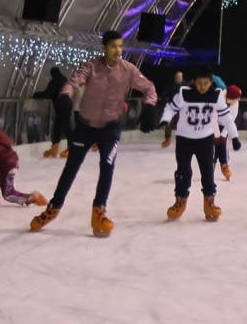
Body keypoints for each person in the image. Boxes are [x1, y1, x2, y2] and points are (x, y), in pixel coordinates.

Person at [30, 30, 157, 237]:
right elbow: (73, 83)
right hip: (85, 126)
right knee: (71, 168)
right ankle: (53, 208)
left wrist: (150, 107)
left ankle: (99, 211)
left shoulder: (128, 70)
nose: (118, 50)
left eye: (120, 46)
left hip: (110, 128)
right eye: (114, 46)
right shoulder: (91, 67)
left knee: (107, 167)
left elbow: (149, 87)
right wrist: (65, 96)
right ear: (104, 47)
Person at [159, 67, 239, 222]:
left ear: (211, 83)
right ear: (194, 82)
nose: (203, 87)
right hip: (184, 140)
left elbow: (227, 118)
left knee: (208, 172)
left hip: (205, 140)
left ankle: (209, 202)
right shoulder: (184, 93)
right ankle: (180, 200)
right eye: (200, 83)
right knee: (184, 171)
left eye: (206, 83)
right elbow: (170, 107)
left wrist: (234, 137)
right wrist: (165, 118)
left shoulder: (215, 96)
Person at [35, 67, 70, 158]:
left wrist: (36, 95)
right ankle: (55, 148)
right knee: (58, 127)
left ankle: (71, 149)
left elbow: (48, 94)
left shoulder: (55, 81)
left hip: (60, 106)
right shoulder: (65, 80)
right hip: (67, 105)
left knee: (66, 128)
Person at [215, 84, 242, 180]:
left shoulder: (235, 103)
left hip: (225, 125)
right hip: (213, 124)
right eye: (236, 99)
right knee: (212, 147)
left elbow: (231, 119)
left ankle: (224, 165)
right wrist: (216, 133)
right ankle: (211, 165)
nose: (237, 101)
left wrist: (223, 135)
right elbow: (212, 117)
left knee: (222, 144)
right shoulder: (218, 98)